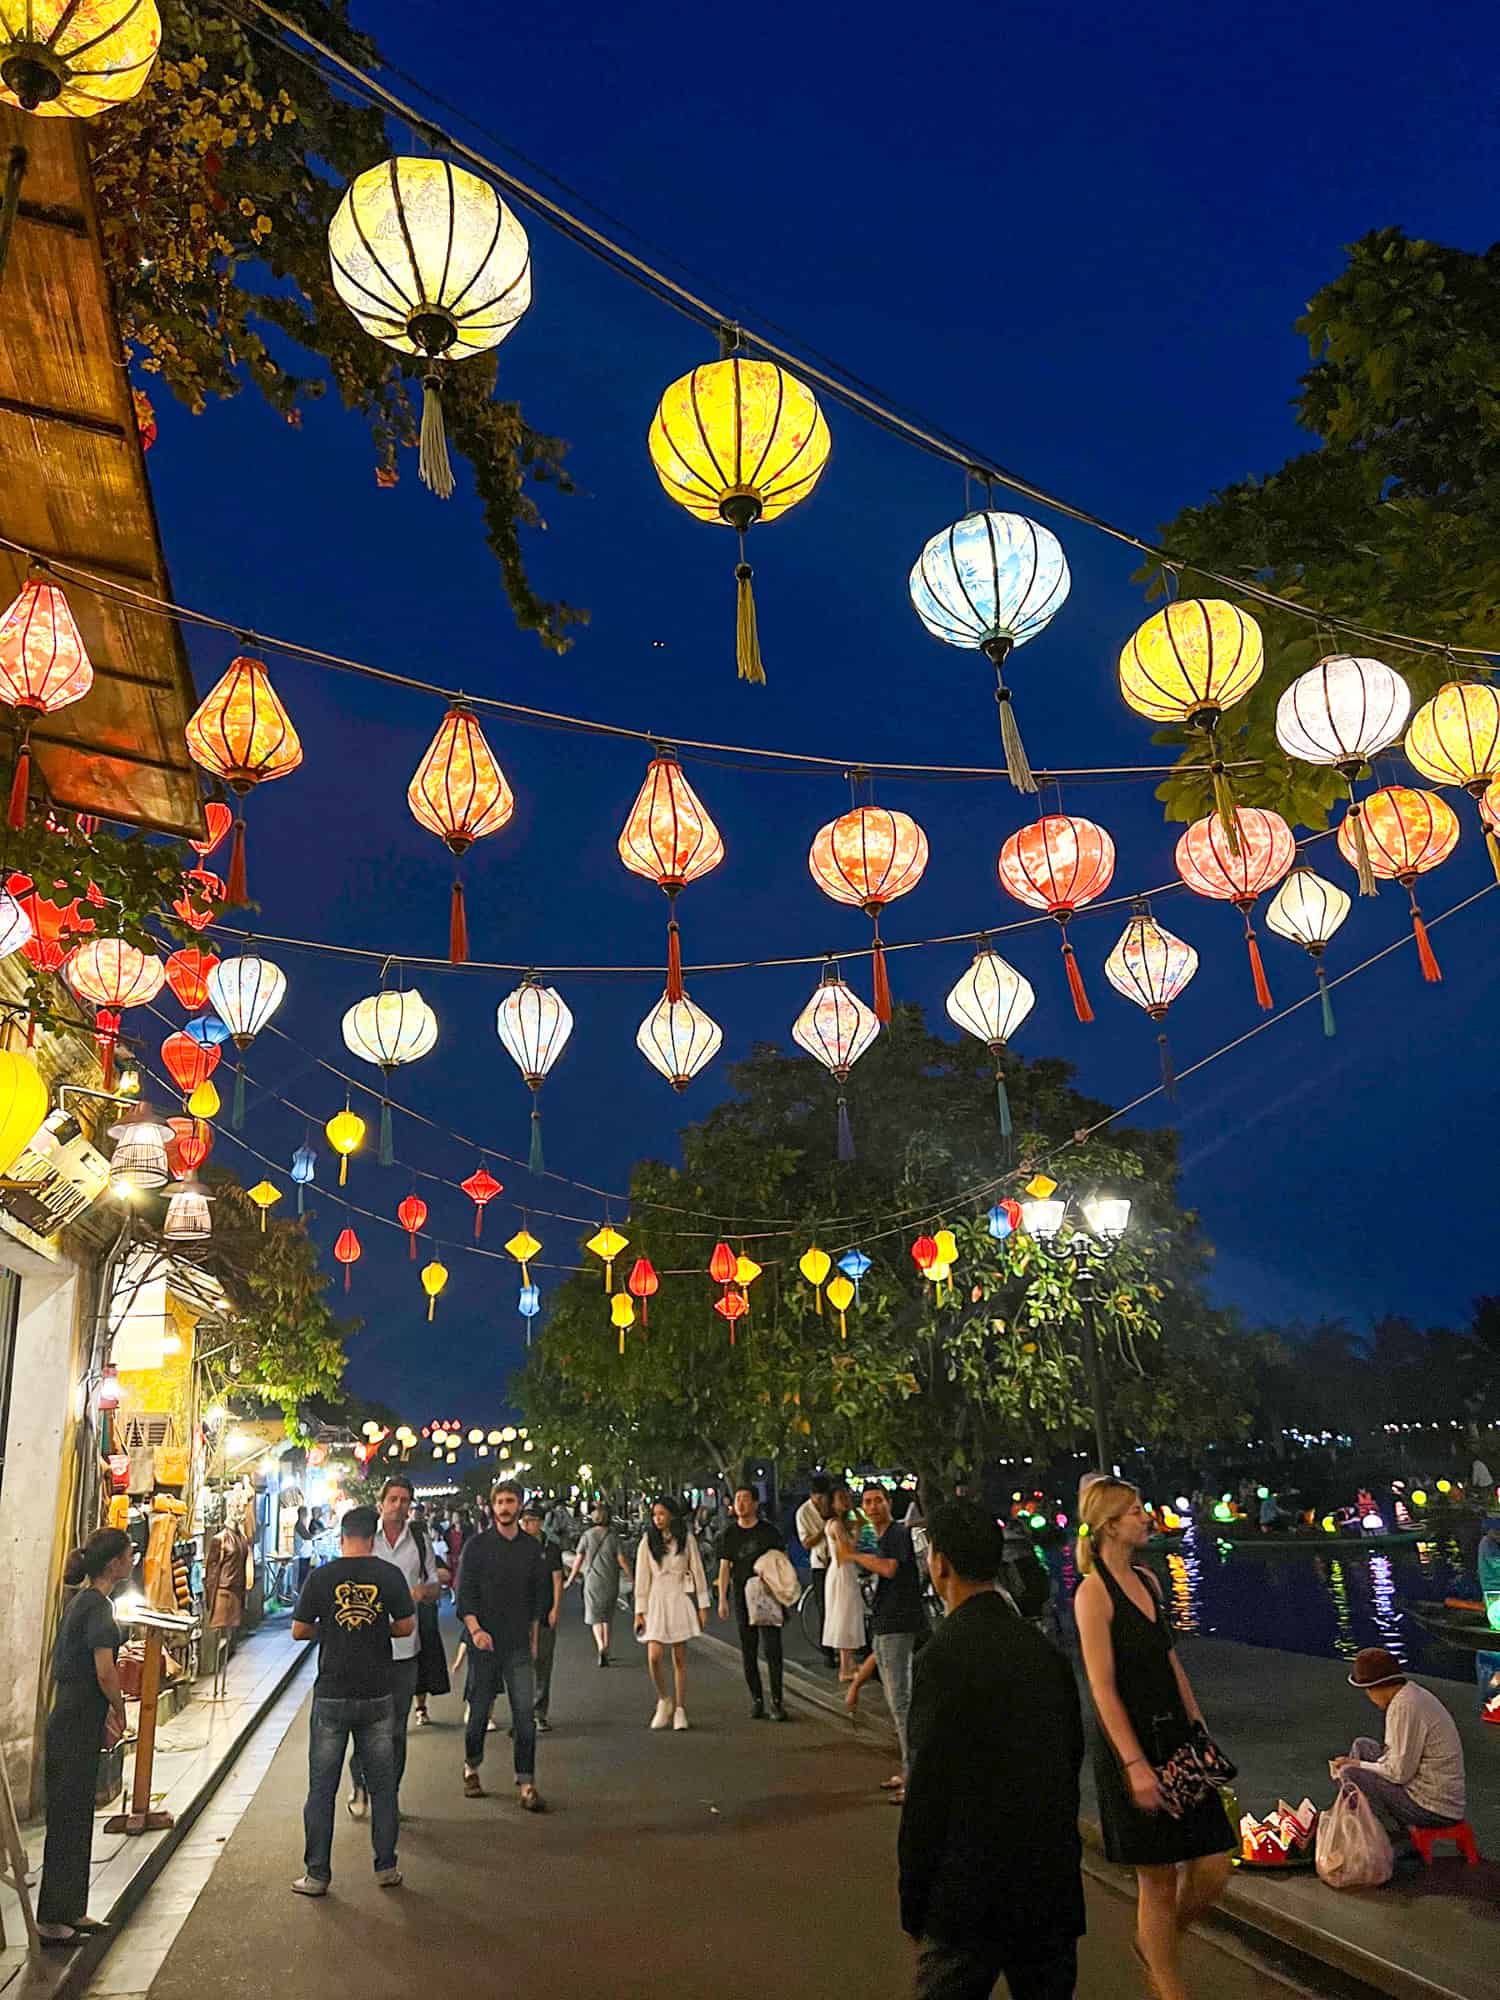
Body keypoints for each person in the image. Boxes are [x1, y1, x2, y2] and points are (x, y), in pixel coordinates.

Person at [899, 1502, 1084, 1999]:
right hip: (1048, 1888)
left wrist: (914, 1896)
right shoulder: (1043, 1653)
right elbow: (1069, 1762)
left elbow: (928, 1789)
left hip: (967, 1895)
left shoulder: (941, 1658)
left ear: (940, 1564)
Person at [1074, 1477, 1231, 2000]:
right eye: (1137, 1510)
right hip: (1134, 1744)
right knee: (1158, 1878)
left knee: (1213, 1867)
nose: (1147, 1517)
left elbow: (1169, 1661)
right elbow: (1101, 1685)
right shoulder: (1093, 1593)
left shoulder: (1149, 1581)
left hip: (1176, 1738)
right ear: (1111, 1524)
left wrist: (1198, 1727)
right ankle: (1168, 1985)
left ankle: (1156, 1943)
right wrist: (1134, 1763)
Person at [290, 1504, 415, 1897]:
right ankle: (386, 1866)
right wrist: (376, 1629)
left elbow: (298, 1631)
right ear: (373, 1537)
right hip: (377, 1691)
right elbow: (407, 1625)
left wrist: (332, 1632)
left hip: (332, 1693)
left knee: (321, 1789)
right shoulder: (389, 1575)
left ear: (342, 1537)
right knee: (382, 1787)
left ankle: (316, 1874)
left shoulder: (322, 1576)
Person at [36, 1529, 134, 1945]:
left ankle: (72, 1910)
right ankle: (51, 1920)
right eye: (130, 1555)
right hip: (74, 1722)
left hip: (75, 1720)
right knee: (66, 1820)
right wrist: (119, 1705)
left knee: (77, 1817)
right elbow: (104, 1670)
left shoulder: (89, 1602)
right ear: (114, 1564)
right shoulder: (96, 1606)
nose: (133, 1560)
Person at [346, 1474, 442, 1820]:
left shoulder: (418, 1538)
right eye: (393, 1500)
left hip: (405, 1649)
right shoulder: (366, 1537)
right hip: (365, 1649)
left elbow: (434, 1586)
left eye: (405, 1500)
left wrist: (419, 1593)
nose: (399, 1506)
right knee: (365, 1725)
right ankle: (359, 1784)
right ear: (381, 1502)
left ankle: (389, 1796)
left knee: (396, 1730)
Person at [456, 1481, 548, 1809]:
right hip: (484, 1644)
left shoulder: (530, 1549)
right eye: (500, 1502)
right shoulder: (477, 1547)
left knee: (524, 1714)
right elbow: (464, 1595)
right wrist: (475, 1630)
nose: (505, 1507)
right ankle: (471, 1767)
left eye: (511, 1501)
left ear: (520, 1505)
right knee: (479, 1712)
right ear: (492, 1507)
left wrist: (535, 1641)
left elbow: (539, 1599)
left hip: (518, 1644)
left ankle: (526, 1781)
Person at [844, 1482, 928, 1798]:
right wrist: (854, 1686)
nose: (873, 1506)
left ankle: (913, 1776)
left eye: (878, 1500)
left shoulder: (897, 1534)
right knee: (896, 1702)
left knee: (901, 1702)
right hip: (883, 1623)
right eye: (867, 1502)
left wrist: (853, 1555)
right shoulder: (877, 1537)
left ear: (889, 1503)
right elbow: (876, 1658)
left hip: (899, 1622)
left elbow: (890, 1568)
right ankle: (908, 1770)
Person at [1331, 1647, 1465, 1831]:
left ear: (1374, 1688)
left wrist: (1356, 1764)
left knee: (1350, 1774)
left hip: (1432, 1806)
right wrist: (1358, 1762)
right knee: (1362, 1746)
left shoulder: (1404, 1707)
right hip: (1421, 1785)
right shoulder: (1409, 1695)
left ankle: (1388, 1836)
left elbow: (1399, 1773)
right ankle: (1355, 1822)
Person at [633, 1494, 709, 1731]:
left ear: (672, 1515)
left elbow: (697, 1570)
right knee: (654, 1656)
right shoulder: (648, 1541)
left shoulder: (686, 1540)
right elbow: (642, 1577)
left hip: (678, 1598)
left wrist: (703, 1605)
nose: (657, 1519)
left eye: (662, 1514)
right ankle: (664, 1699)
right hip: (656, 1600)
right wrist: (639, 1611)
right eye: (654, 1514)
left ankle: (680, 1709)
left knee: (679, 1657)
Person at [715, 1481, 787, 1721]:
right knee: (748, 1649)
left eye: (746, 1499)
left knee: (773, 1649)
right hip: (742, 1596)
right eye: (738, 1500)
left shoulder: (769, 1532)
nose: (741, 1504)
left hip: (769, 1595)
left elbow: (782, 1562)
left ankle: (777, 1701)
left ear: (756, 1503)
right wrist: (722, 1598)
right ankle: (757, 1699)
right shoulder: (729, 1534)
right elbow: (725, 1567)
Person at [566, 1503, 630, 1665]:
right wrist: (632, 1577)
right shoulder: (613, 1536)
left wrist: (571, 1579)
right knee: (607, 1616)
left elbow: (578, 1560)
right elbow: (621, 1560)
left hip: (592, 1580)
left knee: (595, 1617)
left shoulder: (587, 1536)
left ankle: (601, 1647)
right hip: (610, 1580)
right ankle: (607, 1647)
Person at [521, 1502, 564, 1731]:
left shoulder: (551, 1548)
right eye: (525, 1521)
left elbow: (558, 1579)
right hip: (520, 1614)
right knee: (520, 1665)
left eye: (533, 1521)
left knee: (543, 1663)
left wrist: (556, 1608)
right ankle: (522, 1713)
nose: (529, 1525)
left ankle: (539, 1712)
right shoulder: (515, 1546)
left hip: (545, 1611)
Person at [821, 1483, 867, 1680]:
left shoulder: (837, 1523)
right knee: (845, 1616)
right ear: (832, 1503)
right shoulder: (836, 1525)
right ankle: (845, 1668)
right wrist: (857, 1532)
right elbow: (846, 1552)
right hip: (842, 1573)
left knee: (845, 1615)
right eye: (841, 1498)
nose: (846, 1501)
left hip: (841, 1572)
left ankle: (848, 1664)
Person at [796, 1474, 836, 1667]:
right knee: (825, 1608)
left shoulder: (834, 1506)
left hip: (840, 1559)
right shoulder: (804, 1512)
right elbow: (806, 1543)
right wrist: (824, 1530)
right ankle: (828, 1651)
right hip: (820, 1563)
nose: (823, 1501)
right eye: (819, 1498)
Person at [294, 1505, 314, 1588]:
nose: (307, 1515)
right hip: (302, 1554)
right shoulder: (299, 1525)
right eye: (305, 1513)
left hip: (305, 1554)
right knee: (303, 1576)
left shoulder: (302, 1525)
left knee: (304, 1574)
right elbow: (308, 1537)